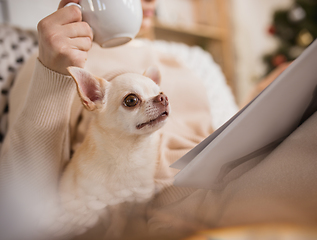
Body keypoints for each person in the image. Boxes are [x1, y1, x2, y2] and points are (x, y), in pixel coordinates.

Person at [0, 0, 237, 239]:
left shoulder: (190, 61)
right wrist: (53, 70)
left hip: (226, 179)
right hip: (159, 209)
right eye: (131, 100)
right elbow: (22, 195)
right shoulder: (57, 58)